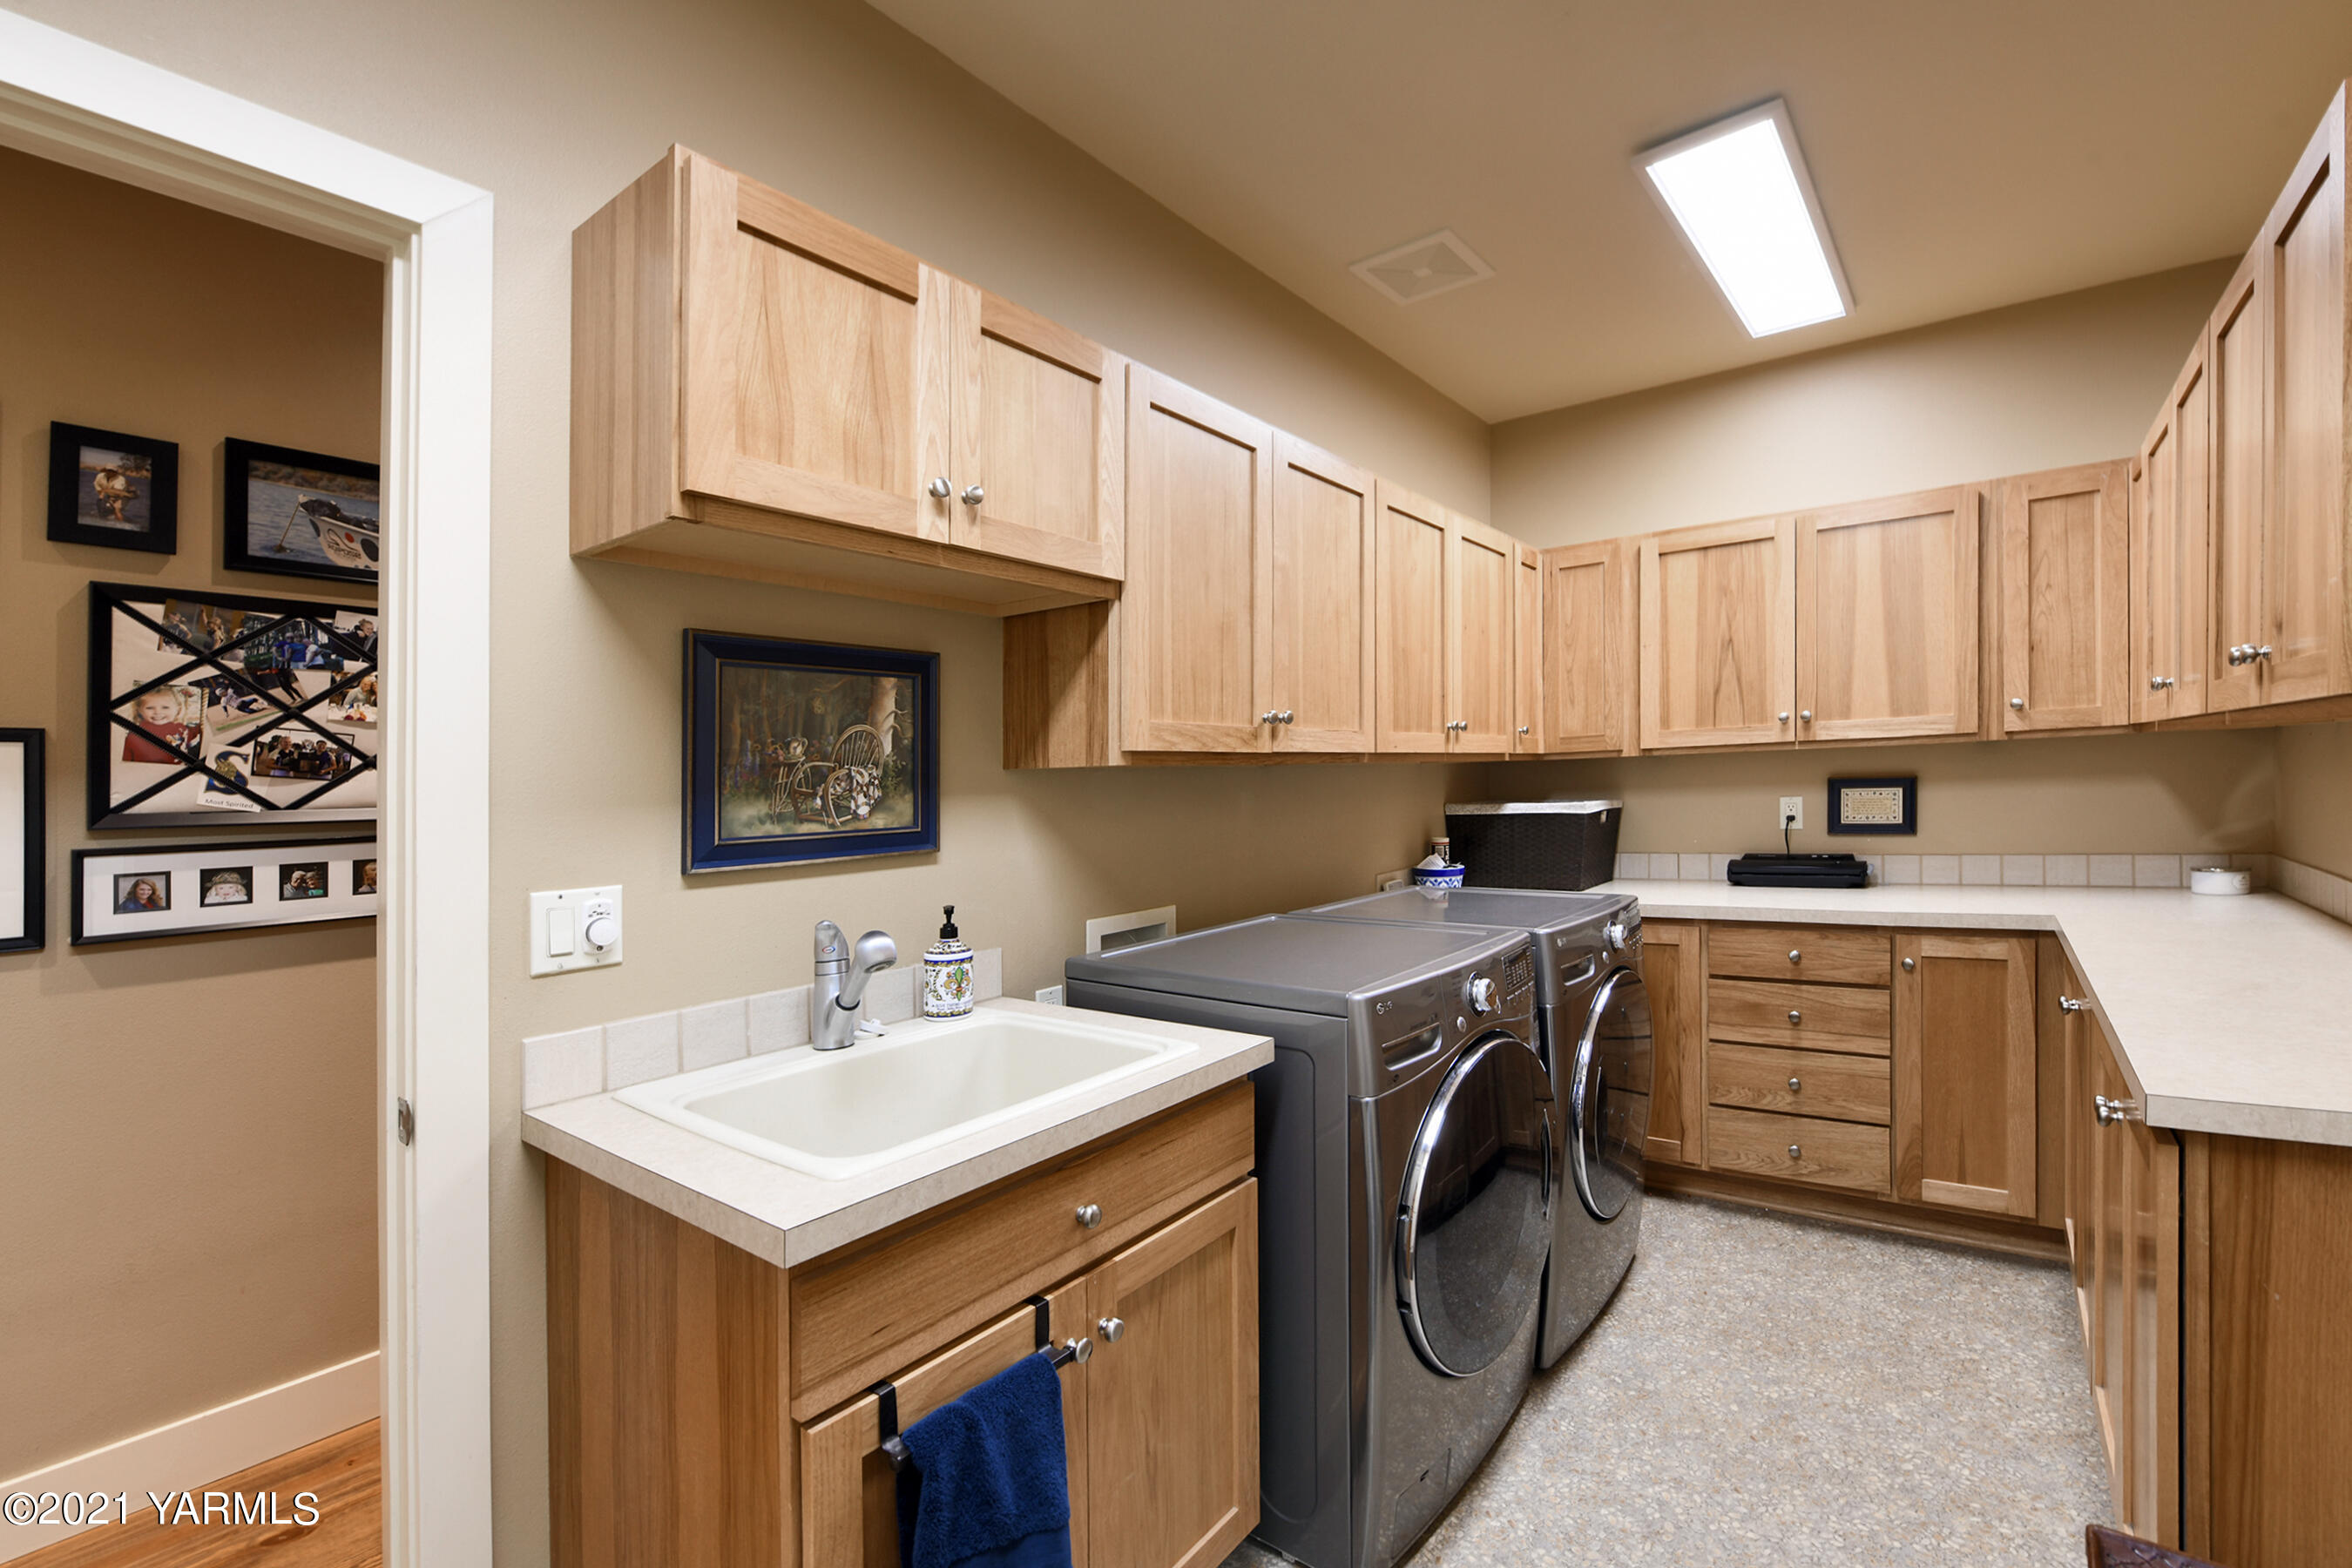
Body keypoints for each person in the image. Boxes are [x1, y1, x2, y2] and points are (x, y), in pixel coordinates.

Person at [121, 688, 199, 764]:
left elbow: (193, 735)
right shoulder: (135, 735)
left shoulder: (180, 729)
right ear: (140, 710)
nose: (157, 712)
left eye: (165, 707)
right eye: (150, 708)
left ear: (178, 709)